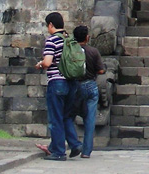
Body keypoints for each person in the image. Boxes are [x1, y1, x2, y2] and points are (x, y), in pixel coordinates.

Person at [35, 12, 81, 161]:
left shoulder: (52, 40)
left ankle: (59, 152)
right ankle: (74, 144)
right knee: (66, 117)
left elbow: (48, 62)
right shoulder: (70, 39)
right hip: (72, 82)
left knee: (55, 118)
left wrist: (40, 64)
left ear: (50, 25)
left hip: (57, 82)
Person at [72, 25, 105, 158]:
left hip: (76, 85)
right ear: (87, 37)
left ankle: (73, 143)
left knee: (69, 116)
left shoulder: (72, 51)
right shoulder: (93, 51)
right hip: (91, 85)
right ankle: (86, 151)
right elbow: (101, 70)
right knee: (90, 120)